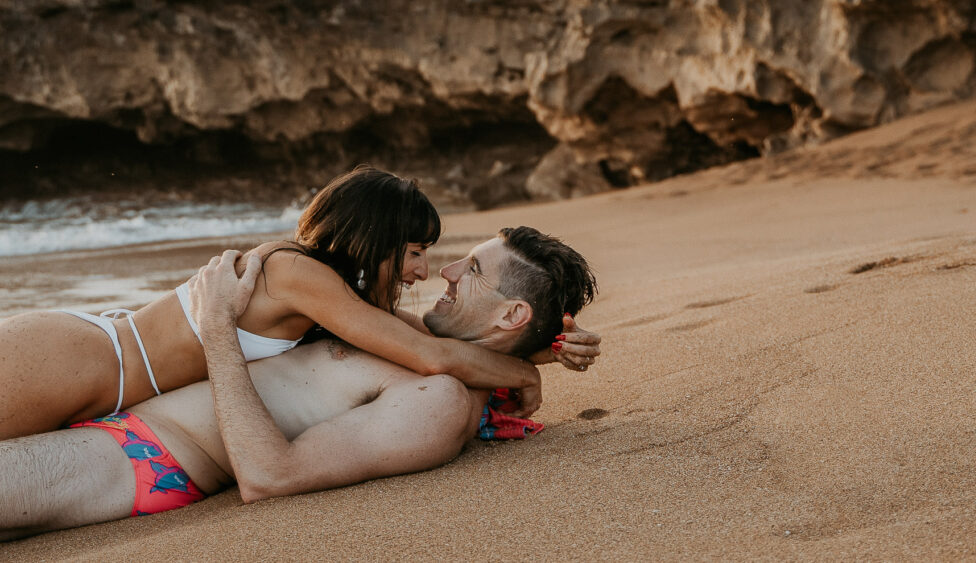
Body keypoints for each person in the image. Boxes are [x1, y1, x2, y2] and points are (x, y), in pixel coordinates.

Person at [0, 227, 599, 541]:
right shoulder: (431, 354)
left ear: (509, 316)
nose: (444, 269)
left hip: (143, 452)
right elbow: (446, 347)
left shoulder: (438, 404)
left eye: (472, 270)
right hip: (105, 395)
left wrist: (216, 332)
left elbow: (270, 475)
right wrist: (541, 355)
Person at [0, 167, 590, 440]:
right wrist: (518, 370)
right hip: (69, 361)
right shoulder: (296, 273)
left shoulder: (331, 293)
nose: (422, 270)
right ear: (374, 239)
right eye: (413, 250)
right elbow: (429, 357)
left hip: (85, 374)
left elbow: (430, 345)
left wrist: (546, 353)